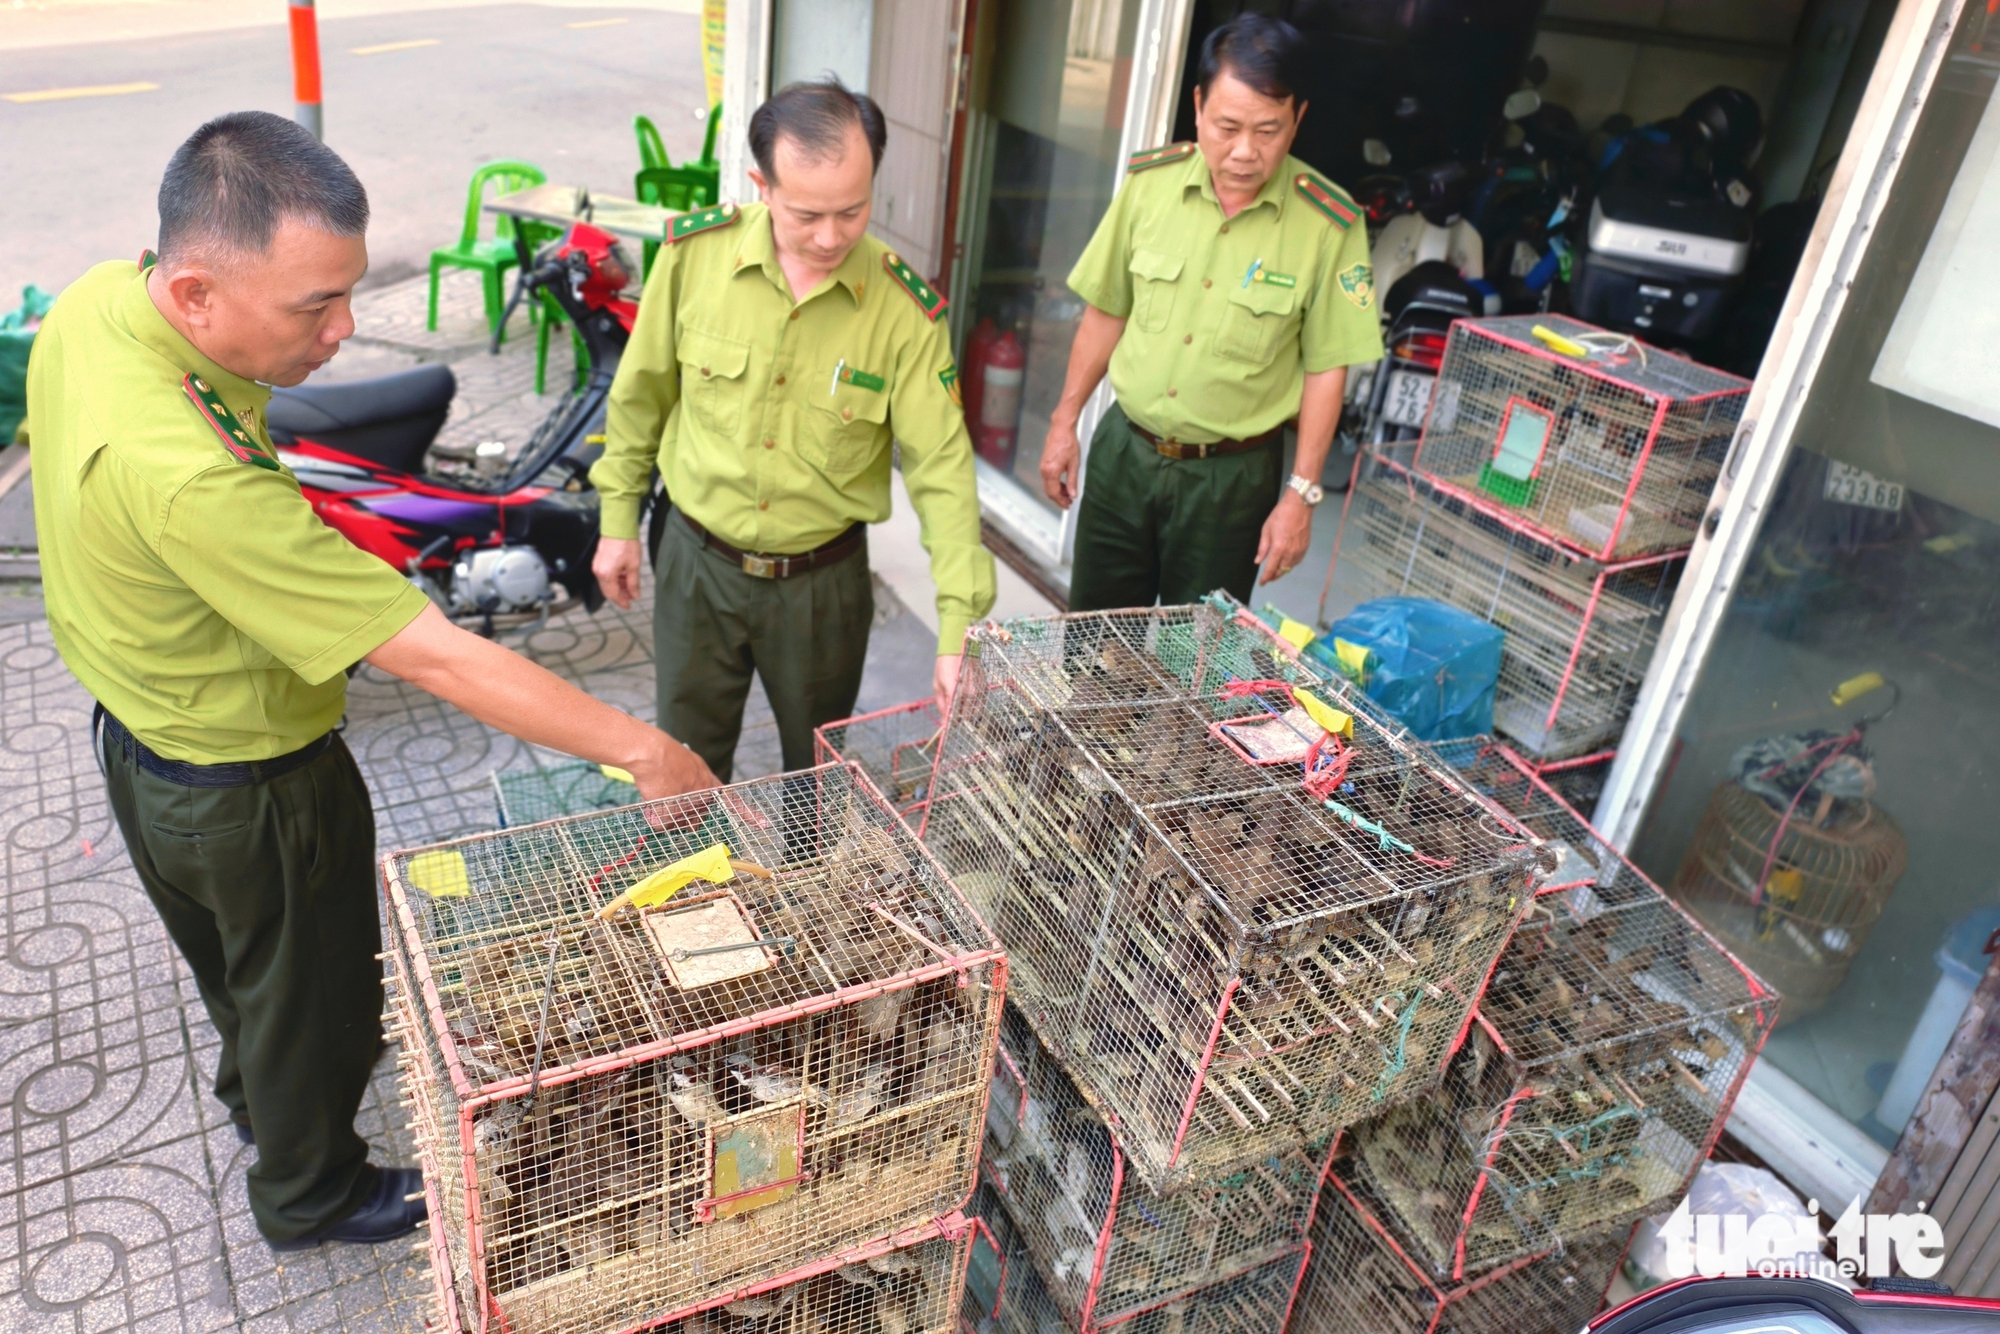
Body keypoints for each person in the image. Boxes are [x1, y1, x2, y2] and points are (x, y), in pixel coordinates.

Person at [24, 111, 718, 1251]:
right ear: (196, 292)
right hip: (250, 783)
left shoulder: (104, 301)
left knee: (248, 973)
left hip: (141, 744)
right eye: (314, 307)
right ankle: (313, 1190)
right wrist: (643, 746)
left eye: (346, 292)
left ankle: (263, 1104)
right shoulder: (191, 483)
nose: (346, 329)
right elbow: (436, 652)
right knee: (324, 994)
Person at [591, 79, 994, 781]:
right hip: (697, 566)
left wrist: (958, 627)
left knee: (816, 774)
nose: (832, 236)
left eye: (853, 211)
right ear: (762, 185)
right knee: (683, 768)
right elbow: (641, 396)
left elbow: (943, 470)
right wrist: (617, 519)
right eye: (807, 214)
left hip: (821, 589)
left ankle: (809, 889)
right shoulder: (695, 257)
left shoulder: (903, 310)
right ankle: (692, 890)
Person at [1040, 14, 1384, 610]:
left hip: (1231, 481)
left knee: (1192, 666)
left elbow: (1329, 368)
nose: (1245, 152)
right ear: (1197, 106)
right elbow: (1106, 312)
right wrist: (1063, 420)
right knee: (1094, 642)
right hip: (1126, 451)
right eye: (1226, 127)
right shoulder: (1151, 185)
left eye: (1268, 130)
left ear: (1298, 119)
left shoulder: (1329, 225)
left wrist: (1300, 494)